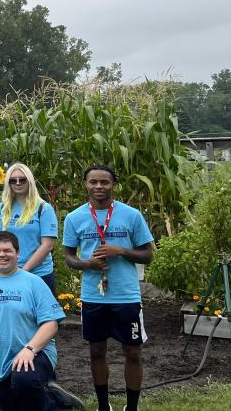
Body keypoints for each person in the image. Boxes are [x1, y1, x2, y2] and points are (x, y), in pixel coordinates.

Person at [63, 164, 155, 411]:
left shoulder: (131, 215)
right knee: (96, 351)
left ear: (114, 184)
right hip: (94, 297)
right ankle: (104, 406)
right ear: (86, 184)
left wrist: (121, 251)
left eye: (104, 182)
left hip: (126, 296)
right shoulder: (74, 218)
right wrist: (88, 264)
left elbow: (148, 255)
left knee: (133, 352)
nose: (99, 187)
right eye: (93, 182)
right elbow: (69, 257)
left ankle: (132, 407)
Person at [0, 231, 78, 411]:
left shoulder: (34, 282)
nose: (1, 255)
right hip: (0, 360)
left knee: (24, 381)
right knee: (12, 404)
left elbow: (51, 324)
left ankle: (49, 401)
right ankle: (53, 396)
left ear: (18, 253)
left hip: (35, 353)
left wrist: (30, 349)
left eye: (7, 250)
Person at [0, 162, 60, 293]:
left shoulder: (43, 208)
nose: (18, 183)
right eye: (13, 180)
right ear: (8, 183)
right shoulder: (0, 209)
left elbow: (47, 246)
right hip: (8, 273)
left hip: (39, 274)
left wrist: (23, 271)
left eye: (22, 180)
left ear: (30, 181)